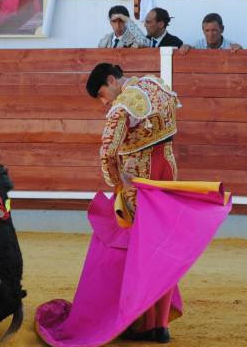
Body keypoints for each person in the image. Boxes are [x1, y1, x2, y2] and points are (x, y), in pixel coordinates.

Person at [85, 62, 180, 343]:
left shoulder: (122, 106)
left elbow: (108, 152)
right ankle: (160, 325)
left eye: (103, 94)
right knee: (163, 249)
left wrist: (116, 183)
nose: (105, 101)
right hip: (169, 172)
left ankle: (143, 324)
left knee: (141, 251)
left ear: (112, 81)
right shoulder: (157, 85)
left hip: (140, 180)